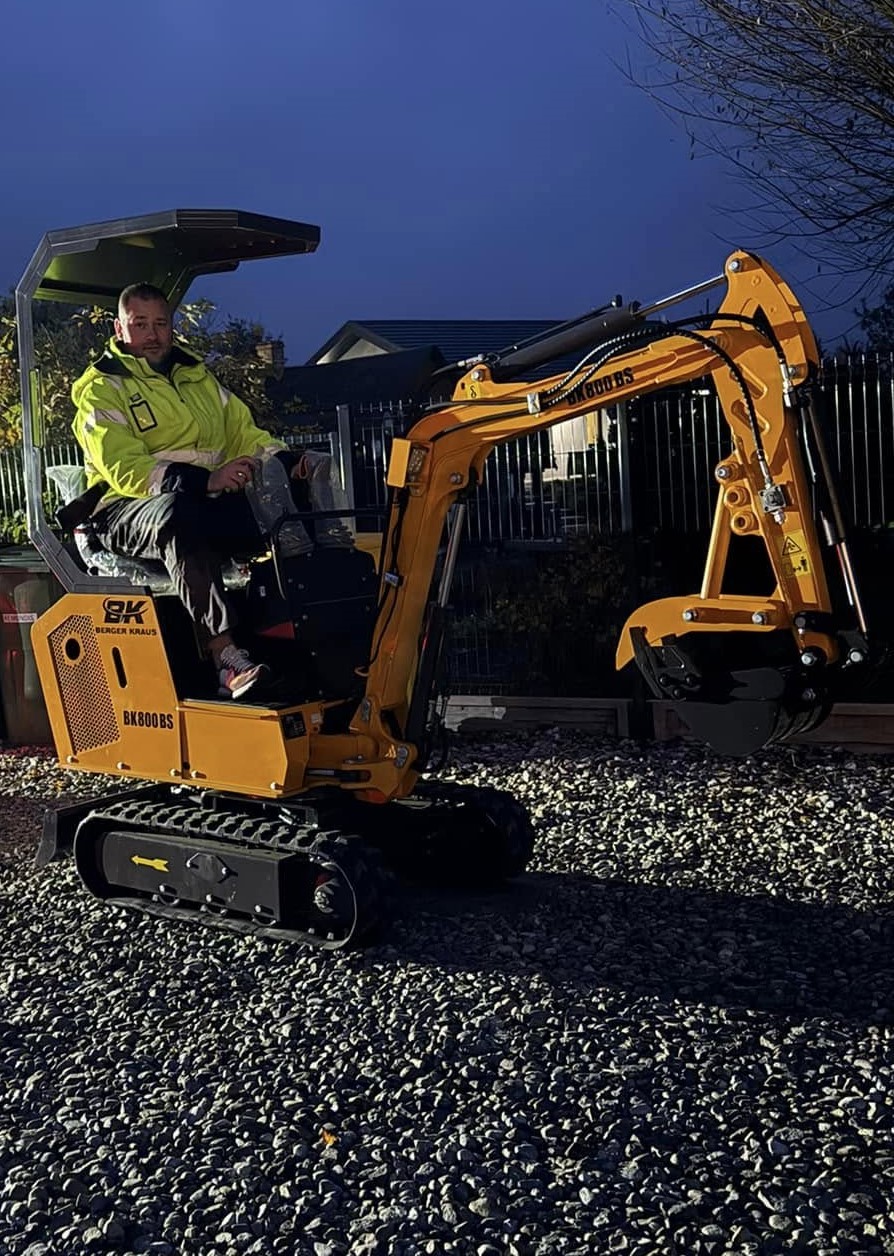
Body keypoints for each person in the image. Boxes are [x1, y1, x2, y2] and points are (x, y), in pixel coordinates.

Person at [71, 282, 310, 700]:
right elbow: (124, 468)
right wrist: (206, 481)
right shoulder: (101, 388)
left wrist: (288, 462)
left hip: (199, 501)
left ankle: (304, 641)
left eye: (160, 323)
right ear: (118, 330)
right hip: (125, 509)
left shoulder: (197, 377)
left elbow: (244, 433)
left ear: (172, 326)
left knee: (283, 511)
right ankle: (226, 658)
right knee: (177, 515)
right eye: (139, 324)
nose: (152, 334)